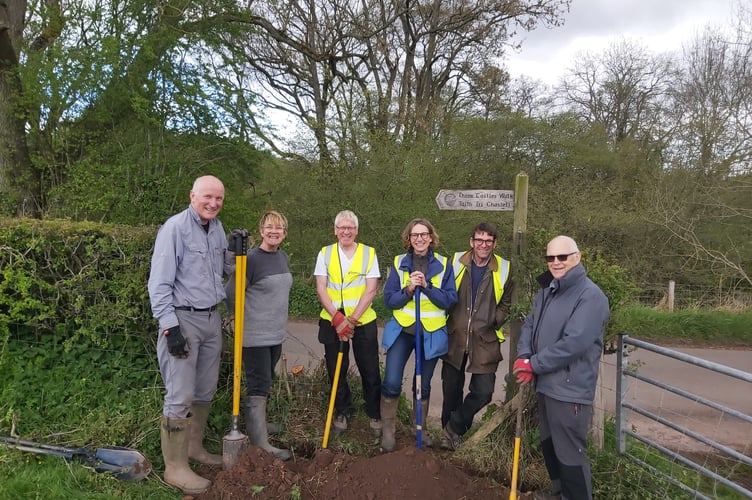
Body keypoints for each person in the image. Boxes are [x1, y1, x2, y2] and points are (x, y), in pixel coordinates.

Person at [147, 175, 235, 495]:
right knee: (180, 395)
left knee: (204, 390)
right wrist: (169, 328)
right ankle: (175, 468)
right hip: (183, 319)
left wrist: (237, 254)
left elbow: (224, 270)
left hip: (212, 318)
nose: (213, 203)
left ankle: (194, 449)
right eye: (208, 197)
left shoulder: (217, 228)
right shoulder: (175, 229)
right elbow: (158, 284)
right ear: (192, 195)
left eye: (219, 199)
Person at [513, 235, 610, 500]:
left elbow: (574, 344)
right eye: (550, 258)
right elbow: (530, 325)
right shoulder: (548, 290)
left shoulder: (591, 297)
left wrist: (533, 364)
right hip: (545, 384)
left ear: (576, 257)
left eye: (562, 257)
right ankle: (559, 494)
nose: (555, 263)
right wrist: (524, 356)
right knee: (550, 446)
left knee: (570, 455)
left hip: (569, 389)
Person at [380, 218, 457, 452]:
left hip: (431, 333)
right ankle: (388, 432)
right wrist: (409, 290)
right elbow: (389, 300)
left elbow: (450, 300)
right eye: (415, 235)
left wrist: (428, 287)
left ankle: (419, 430)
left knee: (421, 386)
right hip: (403, 331)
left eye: (424, 234)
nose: (420, 239)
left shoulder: (444, 264)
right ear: (409, 239)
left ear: (431, 237)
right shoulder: (399, 262)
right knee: (392, 381)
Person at [225, 211, 292, 461]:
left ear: (285, 233)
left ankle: (259, 424)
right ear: (261, 230)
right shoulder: (251, 259)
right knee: (258, 383)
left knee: (266, 380)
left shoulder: (282, 257)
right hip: (254, 335)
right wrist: (242, 320)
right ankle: (260, 442)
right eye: (269, 227)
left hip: (275, 334)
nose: (274, 231)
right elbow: (232, 294)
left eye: (279, 228)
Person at [440, 222, 513, 450]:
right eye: (479, 240)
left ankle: (454, 427)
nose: (483, 245)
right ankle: (447, 438)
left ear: (494, 243)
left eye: (488, 241)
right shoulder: (454, 262)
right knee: (451, 390)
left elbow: (508, 302)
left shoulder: (504, 268)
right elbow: (442, 293)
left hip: (485, 339)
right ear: (471, 242)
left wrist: (495, 320)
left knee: (483, 392)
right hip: (455, 336)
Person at [314, 210, 382, 437]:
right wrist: (337, 317)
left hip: (362, 320)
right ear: (335, 231)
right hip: (332, 320)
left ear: (356, 230)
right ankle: (343, 411)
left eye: (350, 228)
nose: (346, 231)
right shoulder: (324, 253)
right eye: (342, 227)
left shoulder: (369, 253)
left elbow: (371, 289)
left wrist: (351, 320)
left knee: (370, 369)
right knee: (336, 370)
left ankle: (374, 413)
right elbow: (321, 288)